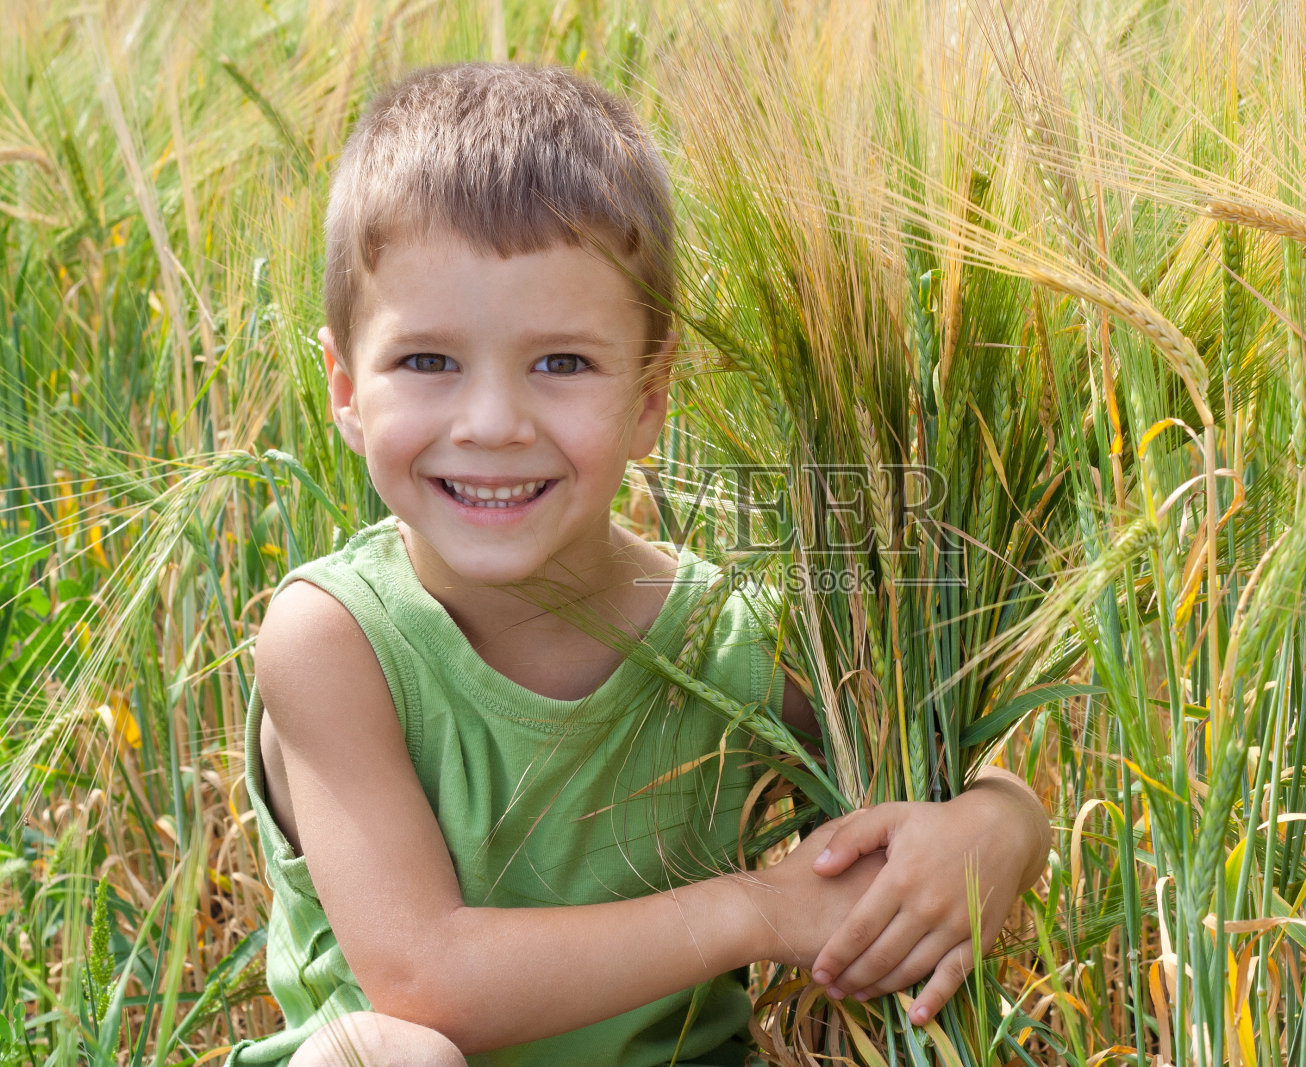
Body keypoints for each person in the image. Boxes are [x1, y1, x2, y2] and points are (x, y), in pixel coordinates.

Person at [228, 63, 1050, 1067]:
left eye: (561, 362)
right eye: (429, 362)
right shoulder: (333, 638)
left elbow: (926, 772)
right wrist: (758, 909)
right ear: (347, 390)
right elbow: (426, 977)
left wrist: (1003, 825)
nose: (492, 423)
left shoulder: (729, 640)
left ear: (651, 394)